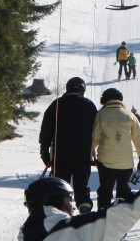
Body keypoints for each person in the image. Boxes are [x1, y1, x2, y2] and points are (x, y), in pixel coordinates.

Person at [19, 159, 140, 240]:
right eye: (68, 199)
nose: (73, 206)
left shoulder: (28, 236)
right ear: (54, 200)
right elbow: (122, 214)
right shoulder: (69, 230)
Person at [38, 77, 98, 214]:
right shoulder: (89, 105)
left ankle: (61, 211)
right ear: (82, 89)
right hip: (83, 155)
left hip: (60, 155)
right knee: (81, 186)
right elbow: (98, 130)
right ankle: (84, 206)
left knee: (60, 186)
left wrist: (44, 151)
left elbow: (46, 130)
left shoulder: (57, 104)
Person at [91, 88, 140, 210]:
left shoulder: (101, 114)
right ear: (120, 99)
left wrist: (91, 152)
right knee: (123, 191)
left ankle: (102, 215)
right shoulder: (129, 115)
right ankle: (122, 218)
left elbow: (95, 136)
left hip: (105, 162)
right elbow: (138, 138)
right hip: (126, 163)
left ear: (104, 100)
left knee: (105, 190)